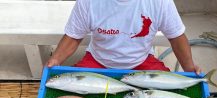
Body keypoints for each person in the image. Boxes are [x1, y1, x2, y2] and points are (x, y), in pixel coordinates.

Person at [46, 0, 201, 74]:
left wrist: (189, 67)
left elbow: (176, 37)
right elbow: (74, 36)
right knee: (67, 97)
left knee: (168, 94)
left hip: (141, 60)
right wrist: (56, 60)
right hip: (98, 60)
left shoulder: (160, 2)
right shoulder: (89, 2)